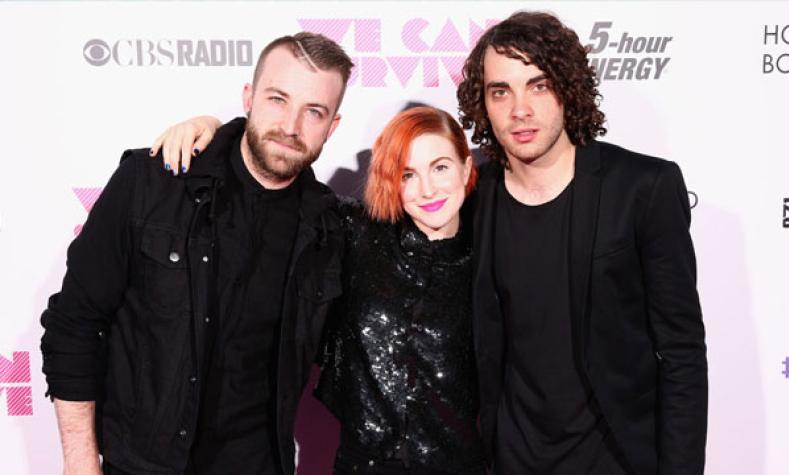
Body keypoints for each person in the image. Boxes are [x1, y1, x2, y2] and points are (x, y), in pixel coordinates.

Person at [40, 32, 352, 475]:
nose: (291, 125)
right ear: (249, 97)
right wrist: (80, 461)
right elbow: (74, 323)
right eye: (277, 99)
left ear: (332, 126)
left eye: (313, 111)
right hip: (143, 466)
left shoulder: (329, 229)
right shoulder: (154, 183)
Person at [152, 106, 484, 474]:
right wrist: (214, 129)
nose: (428, 189)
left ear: (466, 168)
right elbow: (271, 181)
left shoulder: (492, 257)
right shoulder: (355, 233)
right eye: (408, 174)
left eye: (440, 167)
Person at [456, 11, 708, 475]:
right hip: (512, 461)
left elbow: (682, 352)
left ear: (568, 88)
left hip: (616, 461)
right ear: (483, 104)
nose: (519, 110)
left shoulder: (643, 188)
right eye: (500, 91)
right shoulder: (472, 196)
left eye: (538, 85)